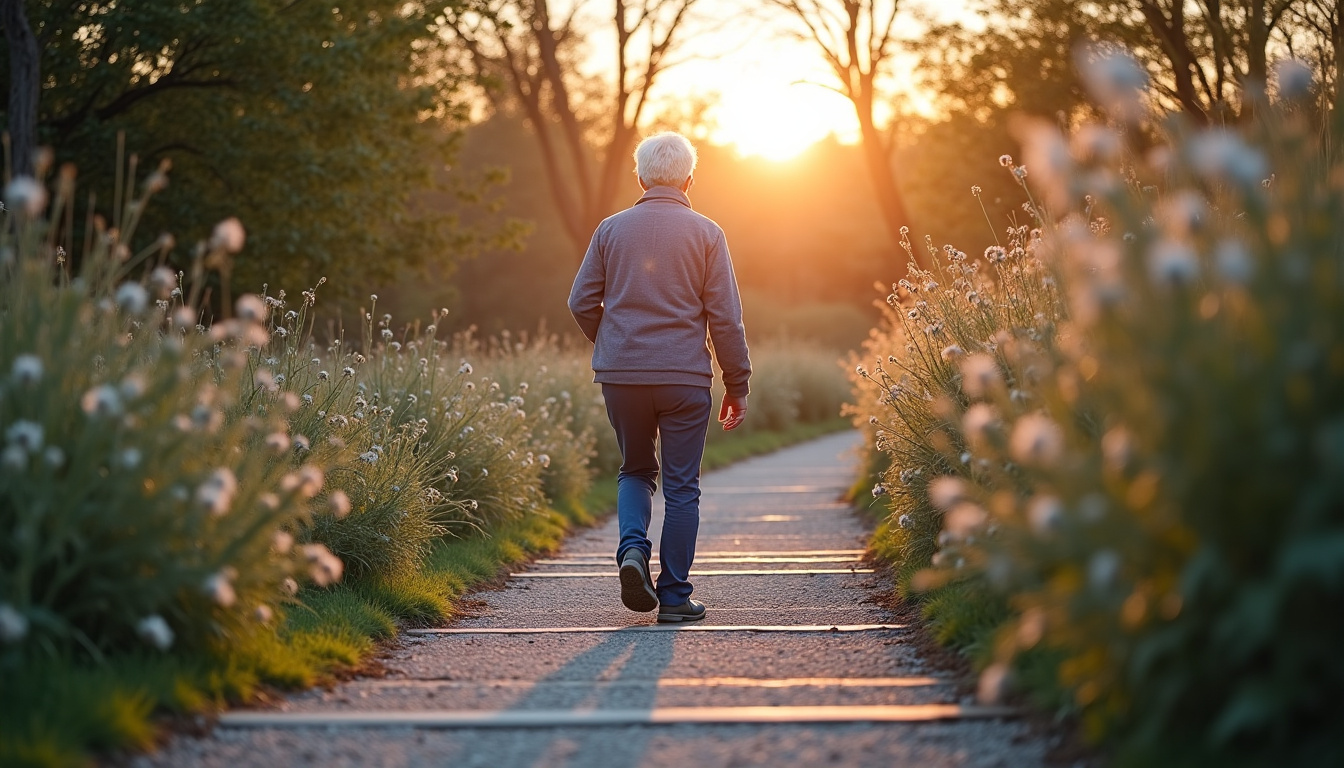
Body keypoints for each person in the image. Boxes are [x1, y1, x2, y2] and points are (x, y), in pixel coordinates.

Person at [567, 131, 751, 624]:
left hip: (622, 376)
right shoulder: (708, 233)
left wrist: (612, 344)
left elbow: (580, 302)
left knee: (635, 470)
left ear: (641, 177)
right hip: (685, 378)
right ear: (690, 178)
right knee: (681, 485)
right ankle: (673, 597)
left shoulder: (610, 230)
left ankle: (632, 551)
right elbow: (725, 319)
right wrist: (737, 384)